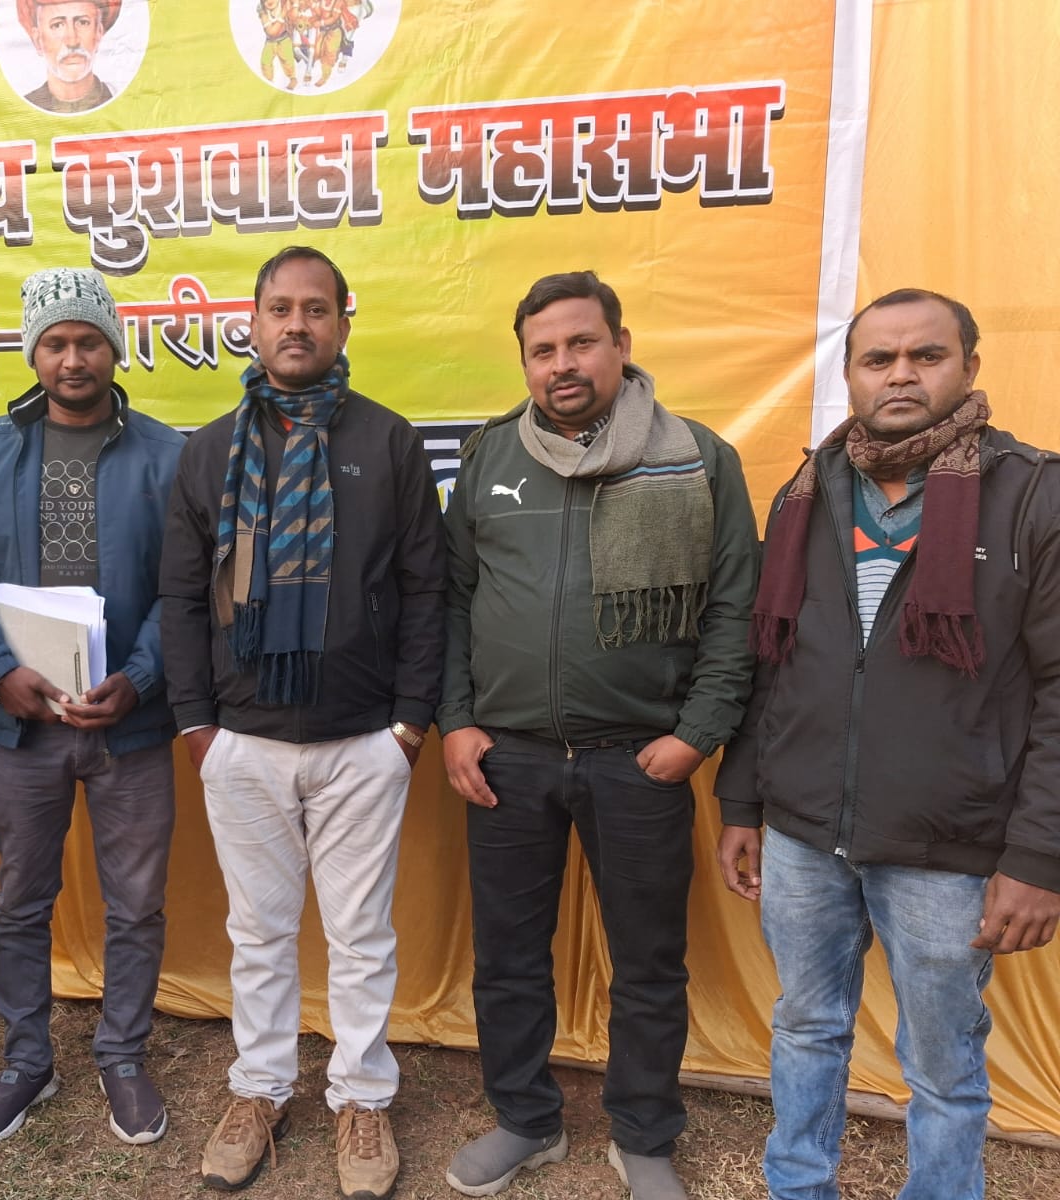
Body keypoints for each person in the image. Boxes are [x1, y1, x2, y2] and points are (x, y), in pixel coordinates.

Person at [714, 288, 1060, 1200]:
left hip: (948, 844)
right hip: (801, 834)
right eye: (879, 359)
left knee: (943, 1063)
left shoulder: (1034, 493)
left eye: (926, 356)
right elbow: (770, 661)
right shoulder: (808, 492)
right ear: (850, 375)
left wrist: (1038, 856)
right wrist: (743, 803)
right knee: (805, 1027)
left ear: (969, 367)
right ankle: (799, 1186)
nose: (901, 374)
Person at [438, 270, 759, 1200]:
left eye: (581, 342)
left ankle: (644, 1135)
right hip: (508, 762)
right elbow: (452, 602)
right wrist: (458, 721)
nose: (562, 364)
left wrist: (696, 736)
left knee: (649, 962)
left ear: (621, 345)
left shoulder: (698, 459)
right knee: (507, 957)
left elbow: (735, 611)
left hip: (639, 762)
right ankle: (525, 1120)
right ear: (525, 364)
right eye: (542, 350)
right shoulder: (491, 456)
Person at [160, 245, 446, 1200]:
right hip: (242, 742)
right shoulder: (211, 450)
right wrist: (199, 726)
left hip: (363, 740)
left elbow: (425, 589)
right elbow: (181, 598)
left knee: (361, 936)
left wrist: (408, 728)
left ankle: (362, 1098)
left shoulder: (389, 441)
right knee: (259, 933)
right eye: (279, 307)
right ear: (251, 323)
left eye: (315, 308)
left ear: (343, 322)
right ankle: (260, 1088)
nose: (296, 324)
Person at [0, 267, 185, 1150]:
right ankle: (26, 1062)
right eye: (55, 343)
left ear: (115, 348)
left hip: (132, 726)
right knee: (20, 900)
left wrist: (141, 679)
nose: (72, 359)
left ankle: (122, 1054)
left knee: (137, 902)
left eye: (88, 341)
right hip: (23, 725)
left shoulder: (166, 454)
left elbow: (184, 586)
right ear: (32, 352)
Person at [16, 0, 121, 114]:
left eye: (83, 23)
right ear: (38, 41)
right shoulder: (20, 112)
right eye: (57, 25)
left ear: (98, 34)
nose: (72, 41)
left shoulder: (124, 102)